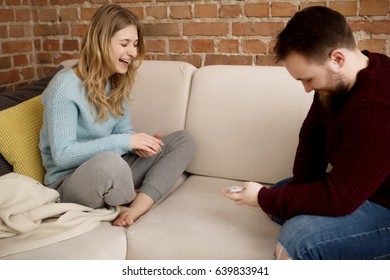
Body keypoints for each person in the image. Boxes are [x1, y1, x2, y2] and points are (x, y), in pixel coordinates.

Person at [223, 6, 390, 260]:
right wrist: (290, 194)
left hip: (384, 203)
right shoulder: (337, 84)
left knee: (299, 239)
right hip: (358, 188)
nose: (306, 89)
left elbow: (339, 198)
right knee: (281, 197)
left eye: (308, 79)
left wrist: (265, 198)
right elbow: (312, 137)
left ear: (337, 59)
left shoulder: (378, 104)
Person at [39, 4, 195, 227]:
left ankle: (137, 205)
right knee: (111, 164)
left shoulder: (113, 82)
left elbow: (123, 132)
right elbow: (63, 155)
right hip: (71, 180)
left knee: (183, 140)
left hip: (113, 168)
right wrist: (124, 142)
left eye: (135, 44)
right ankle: (133, 194)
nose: (132, 52)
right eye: (124, 44)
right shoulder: (64, 87)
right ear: (101, 42)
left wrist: (136, 144)